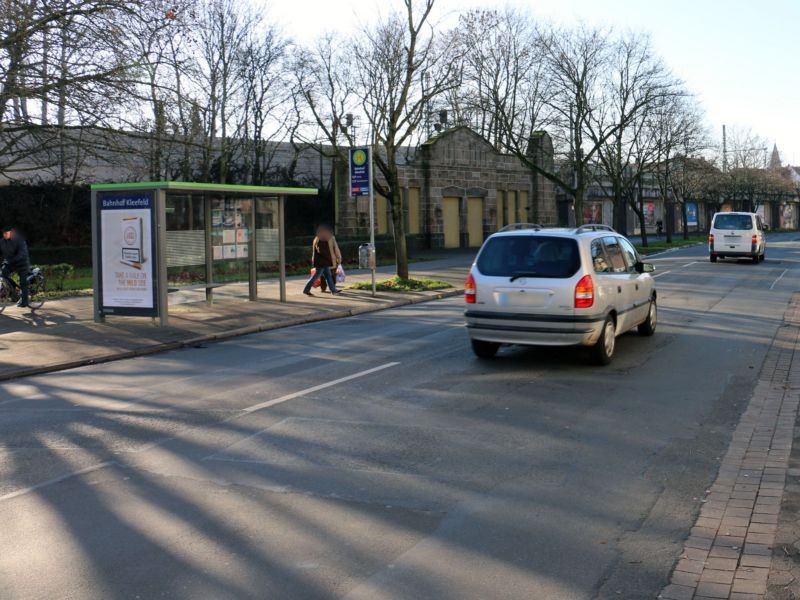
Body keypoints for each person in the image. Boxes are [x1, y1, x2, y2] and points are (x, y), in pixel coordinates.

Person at [303, 225, 342, 296]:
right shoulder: (321, 240)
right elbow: (321, 251)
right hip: (322, 262)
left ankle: (333, 290)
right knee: (316, 276)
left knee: (328, 276)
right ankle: (306, 290)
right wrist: (329, 258)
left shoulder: (318, 239)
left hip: (322, 262)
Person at [0, 226, 31, 307]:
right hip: (10, 263)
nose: (5, 234)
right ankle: (14, 293)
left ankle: (25, 301)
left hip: (21, 264)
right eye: (4, 233)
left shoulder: (19, 240)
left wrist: (12, 260)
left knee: (23, 282)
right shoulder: (2, 242)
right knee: (2, 275)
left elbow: (22, 253)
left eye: (7, 232)